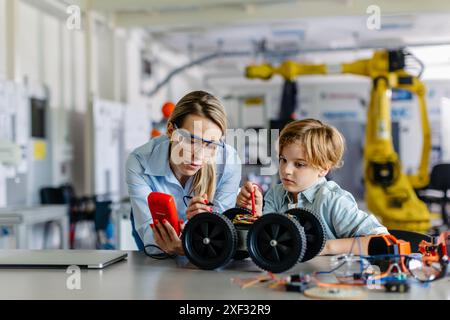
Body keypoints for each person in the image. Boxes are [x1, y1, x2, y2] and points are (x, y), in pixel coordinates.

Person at [236, 118, 388, 256]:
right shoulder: (276, 194)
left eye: (299, 164)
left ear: (323, 169)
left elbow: (382, 239)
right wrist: (255, 211)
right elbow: (265, 240)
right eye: (283, 160)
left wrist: (324, 247)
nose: (286, 170)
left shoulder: (333, 201)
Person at [126, 91, 241, 255]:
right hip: (158, 234)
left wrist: (192, 237)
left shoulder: (229, 161)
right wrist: (192, 242)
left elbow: (220, 233)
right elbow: (153, 240)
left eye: (211, 145)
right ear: (171, 130)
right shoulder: (139, 162)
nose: (199, 156)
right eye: (191, 141)